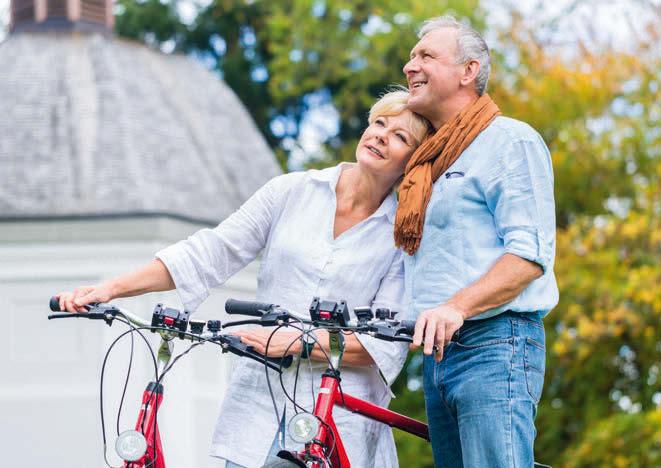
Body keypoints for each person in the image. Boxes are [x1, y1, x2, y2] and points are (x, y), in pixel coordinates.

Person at [56, 89, 430, 468]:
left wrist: (293, 343)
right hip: (258, 404)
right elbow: (211, 252)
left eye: (400, 136)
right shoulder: (292, 191)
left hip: (338, 417)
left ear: (412, 162)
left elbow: (384, 342)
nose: (382, 135)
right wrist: (109, 288)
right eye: (380, 123)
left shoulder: (403, 235)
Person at [394, 16, 559, 468]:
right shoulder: (428, 163)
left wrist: (456, 307)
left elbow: (529, 255)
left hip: (495, 345)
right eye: (411, 56)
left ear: (469, 70)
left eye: (426, 55)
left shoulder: (509, 141)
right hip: (438, 355)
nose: (410, 66)